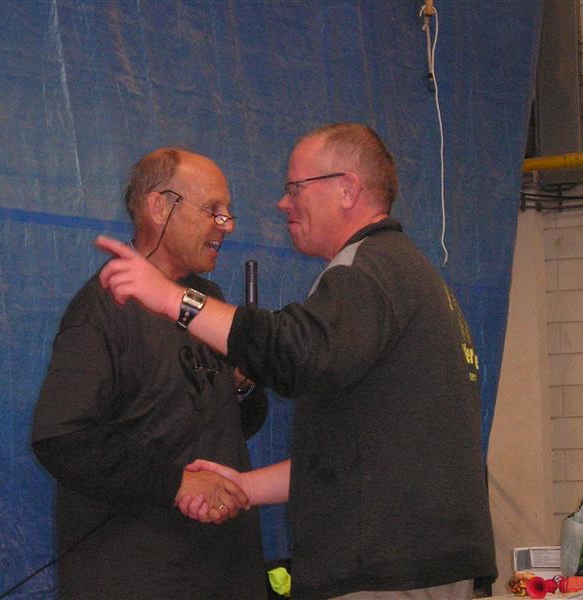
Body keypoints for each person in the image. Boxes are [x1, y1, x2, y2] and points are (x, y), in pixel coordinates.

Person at [95, 124, 497, 599]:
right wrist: (245, 487)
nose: (283, 203)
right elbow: (359, 453)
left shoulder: (369, 270)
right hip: (415, 563)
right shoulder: (402, 275)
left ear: (347, 190)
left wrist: (171, 299)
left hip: (388, 570)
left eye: (295, 188)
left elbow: (296, 353)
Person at [31, 148, 267, 599]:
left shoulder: (208, 301)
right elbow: (60, 438)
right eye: (213, 210)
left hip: (224, 571)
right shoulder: (103, 308)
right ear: (160, 206)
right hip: (140, 576)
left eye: (228, 212)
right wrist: (175, 483)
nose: (227, 225)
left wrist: (244, 383)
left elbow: (234, 424)